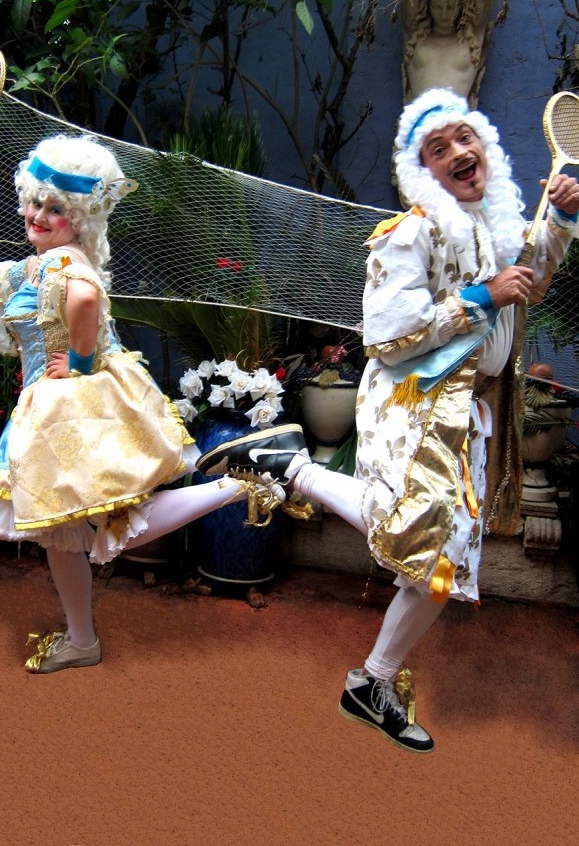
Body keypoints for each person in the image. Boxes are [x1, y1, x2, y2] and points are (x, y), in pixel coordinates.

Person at [195, 87, 579, 753]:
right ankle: (296, 473)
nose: (459, 152)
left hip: (468, 412)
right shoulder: (407, 234)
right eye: (439, 148)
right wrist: (480, 297)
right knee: (430, 551)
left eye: (465, 137)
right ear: (420, 172)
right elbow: (386, 334)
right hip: (413, 404)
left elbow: (531, 279)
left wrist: (560, 224)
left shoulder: (497, 228)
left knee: (439, 561)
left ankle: (369, 681)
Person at [0, 135, 281, 674]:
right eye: (36, 202)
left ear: (80, 218)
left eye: (56, 209)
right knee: (61, 530)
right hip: (60, 404)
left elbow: (86, 297)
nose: (39, 215)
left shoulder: (66, 263)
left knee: (109, 519)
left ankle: (238, 485)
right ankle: (81, 638)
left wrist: (81, 364)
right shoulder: (46, 260)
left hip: (79, 405)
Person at [400, 0, 499, 106]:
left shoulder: (472, 35)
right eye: (438, 7)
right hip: (418, 126)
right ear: (427, 5)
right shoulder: (416, 32)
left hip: (458, 127)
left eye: (451, 7)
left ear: (463, 7)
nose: (445, 14)